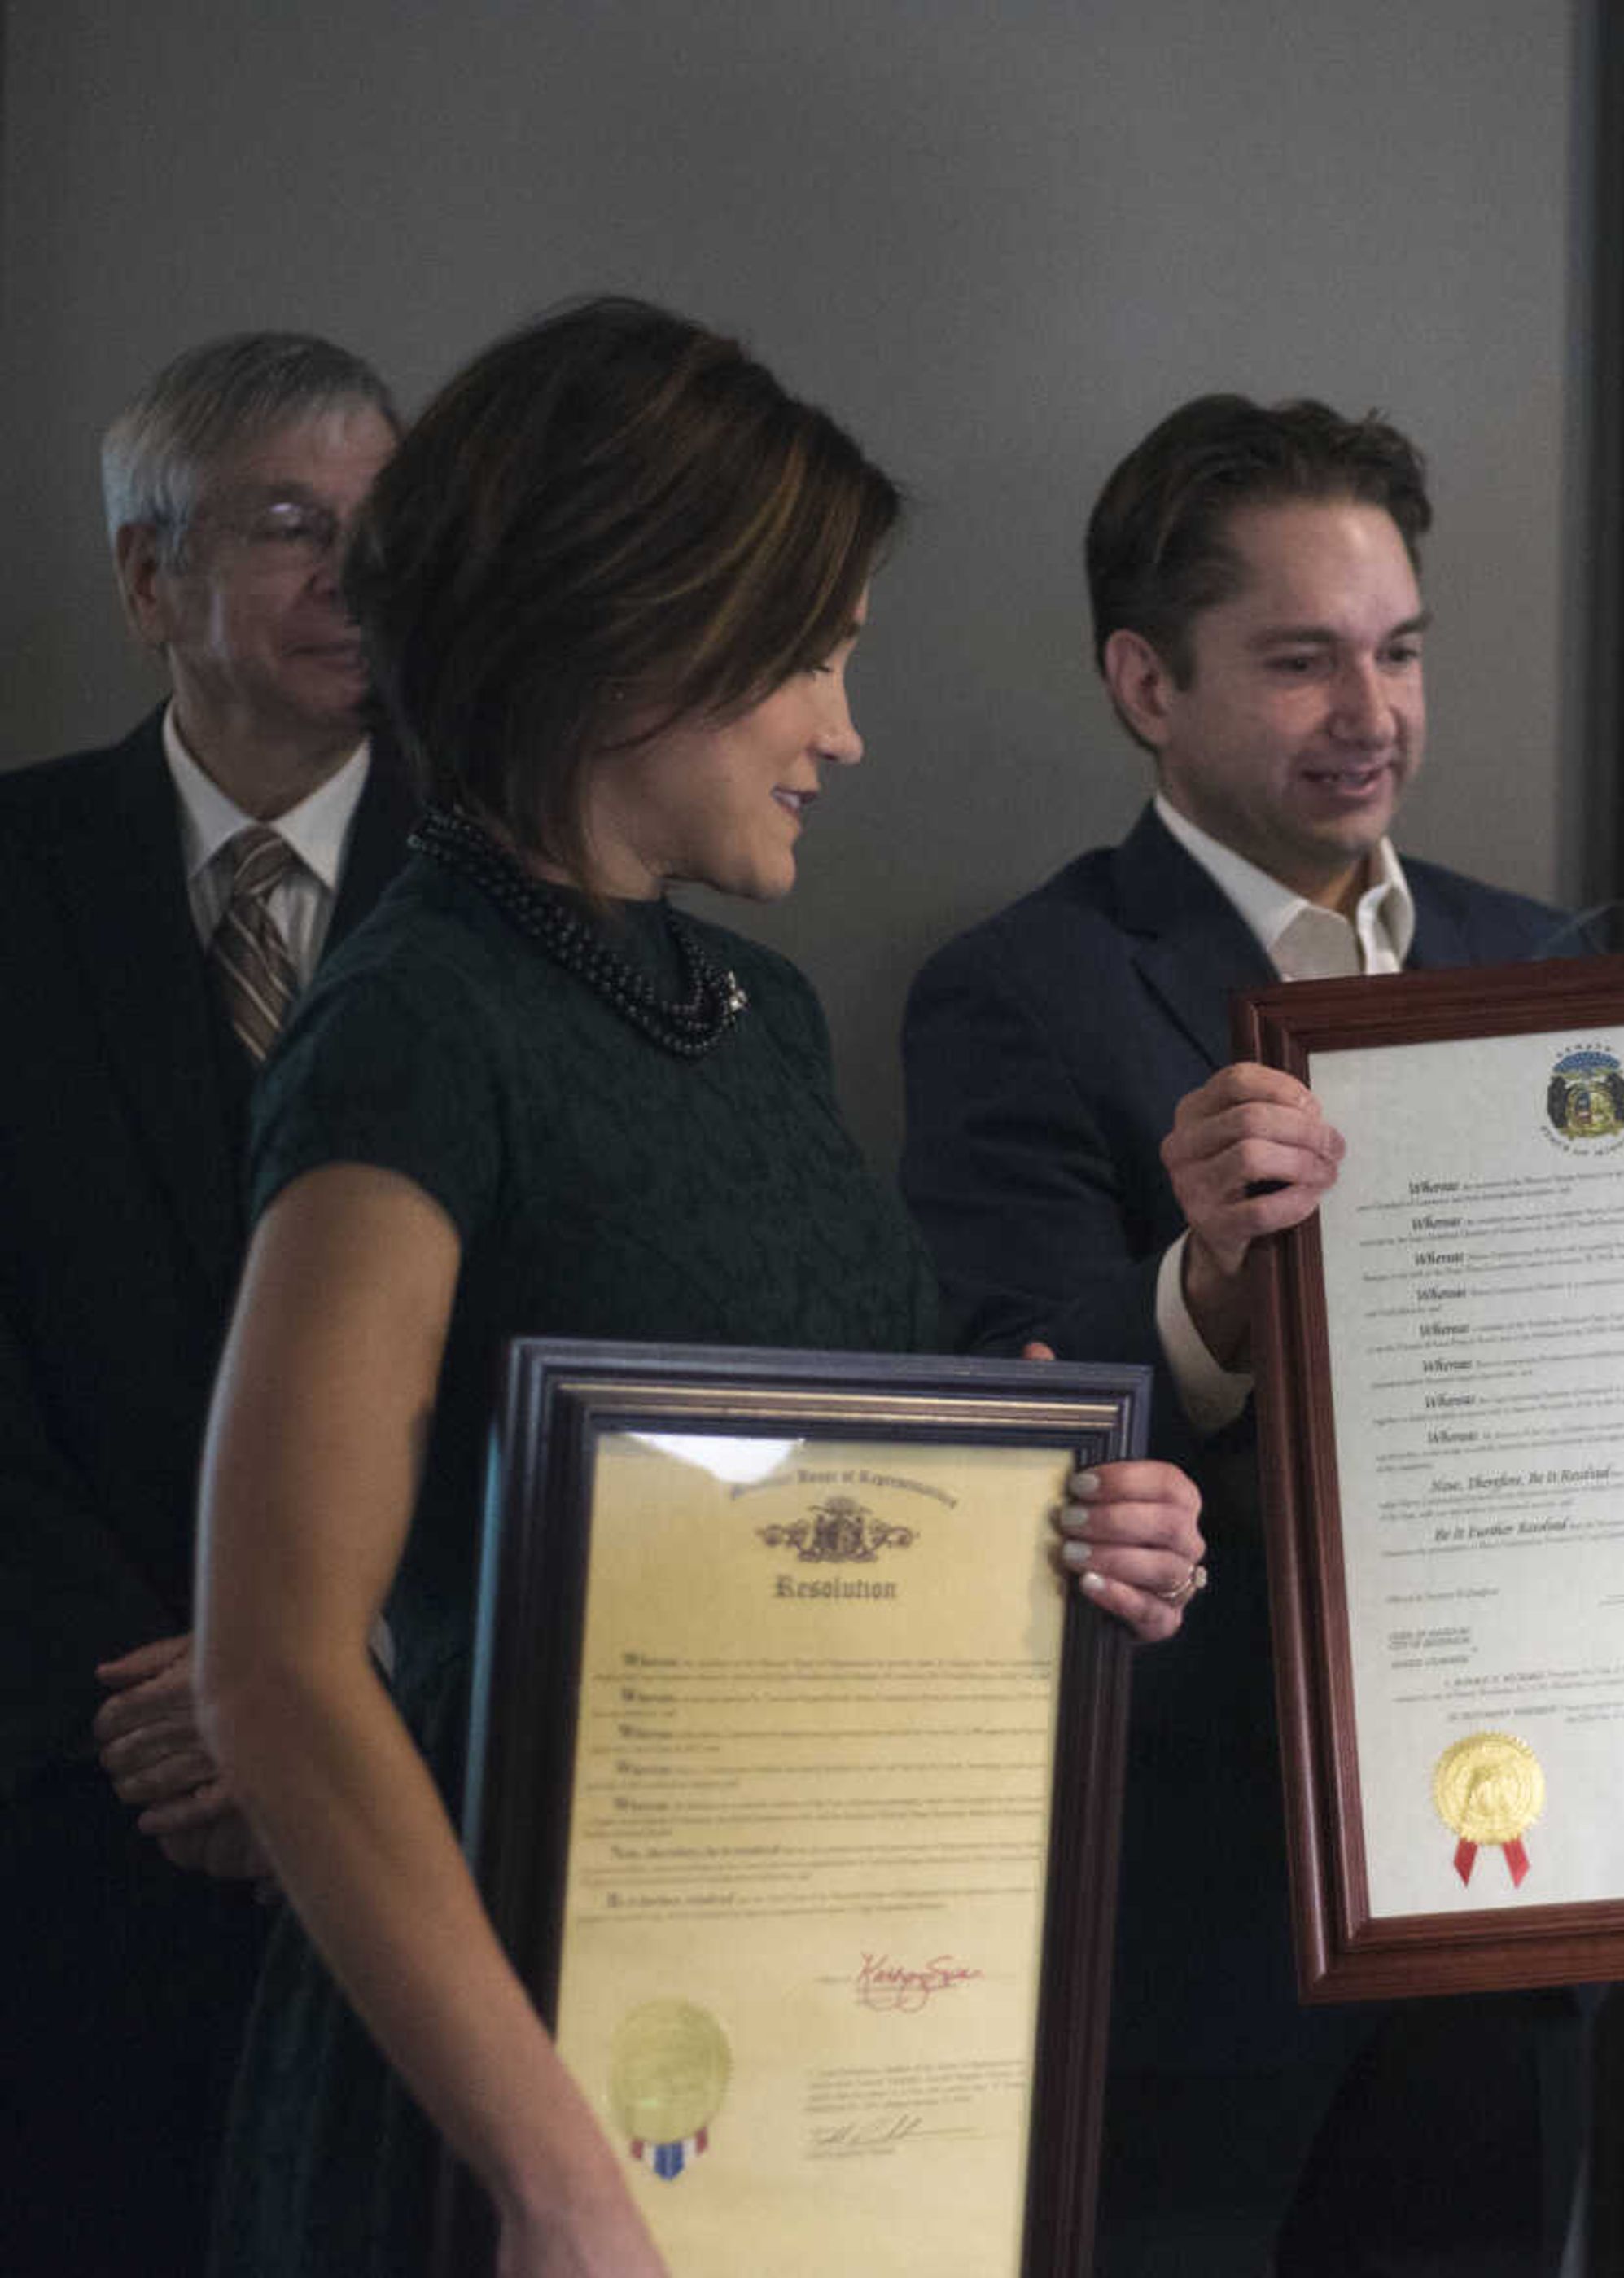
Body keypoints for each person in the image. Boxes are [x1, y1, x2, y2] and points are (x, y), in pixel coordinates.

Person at [191, 297, 1206, 2278]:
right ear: (629, 633)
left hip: (781, 2078)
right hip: (503, 2142)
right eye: (808, 662)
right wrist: (554, 2178)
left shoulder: (751, 1013)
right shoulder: (412, 1023)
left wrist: (1094, 1524)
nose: (845, 729)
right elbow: (274, 1667)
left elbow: (897, 1453)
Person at [900, 395, 1584, 2275]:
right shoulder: (1017, 992)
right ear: (1146, 681)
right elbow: (1003, 1423)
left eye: (1399, 649)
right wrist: (1206, 1284)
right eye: (1300, 661)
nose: (1373, 712)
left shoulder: (1555, 976)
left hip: (1503, 1891)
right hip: (1185, 1919)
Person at [0, 331, 406, 2278]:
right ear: (149, 580)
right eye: (285, 527)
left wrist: (328, 1684)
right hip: (71, 1799)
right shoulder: (9, 877)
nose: (351, 576)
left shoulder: (523, 890)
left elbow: (549, 1355)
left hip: (424, 1780)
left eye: (381, 532)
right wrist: (169, 1706)